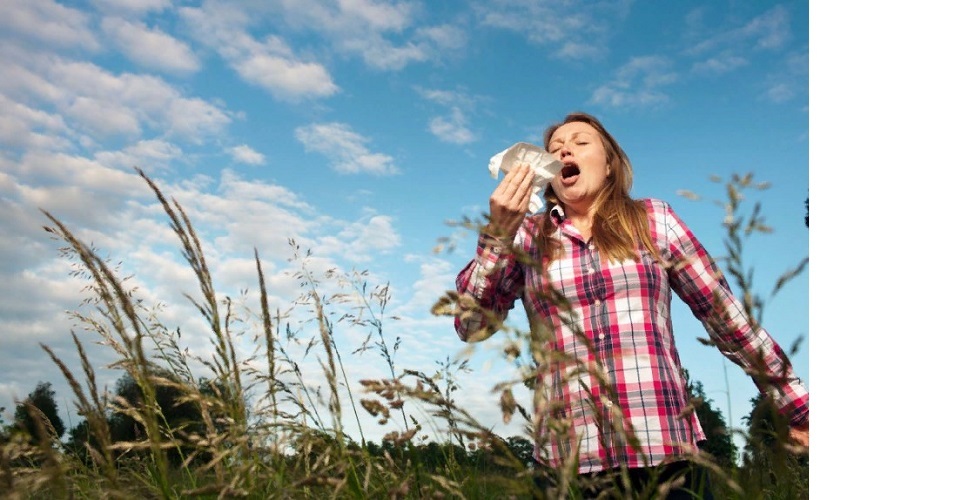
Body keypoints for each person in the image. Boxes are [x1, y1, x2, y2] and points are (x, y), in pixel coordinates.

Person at [453, 112, 809, 498]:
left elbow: (725, 316)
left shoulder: (653, 220)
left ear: (609, 165)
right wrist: (498, 234)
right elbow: (471, 325)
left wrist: (796, 406)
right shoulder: (526, 236)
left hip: (665, 453)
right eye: (554, 148)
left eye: (580, 142)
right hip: (568, 463)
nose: (564, 148)